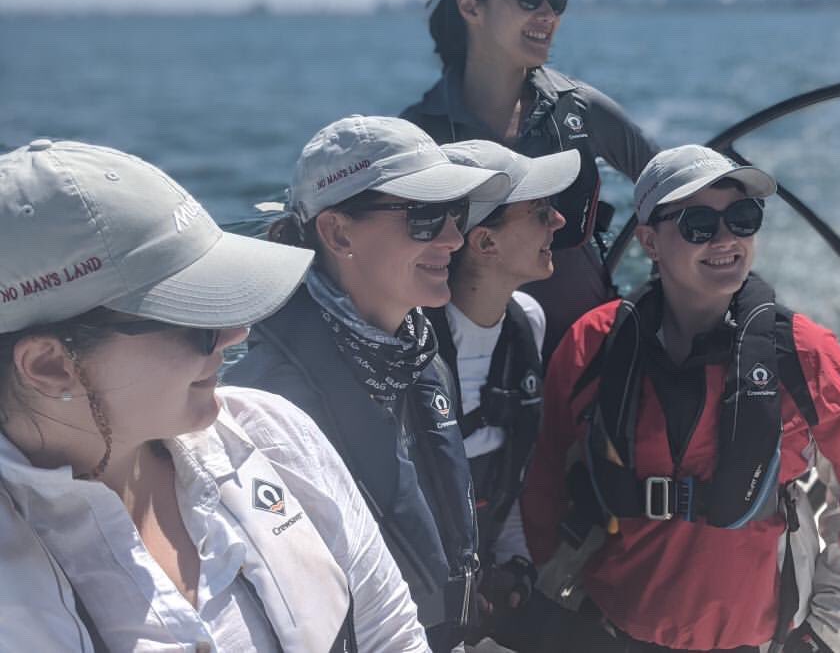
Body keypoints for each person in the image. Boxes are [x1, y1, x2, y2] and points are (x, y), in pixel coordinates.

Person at [0, 139, 429, 651]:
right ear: (50, 366)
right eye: (193, 317)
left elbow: (392, 636)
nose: (235, 333)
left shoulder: (276, 435)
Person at [521, 145, 840, 652]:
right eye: (699, 224)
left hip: (760, 638)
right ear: (649, 242)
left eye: (743, 218)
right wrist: (551, 588)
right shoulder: (594, 344)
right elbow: (545, 478)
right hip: (607, 627)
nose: (726, 239)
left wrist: (831, 634)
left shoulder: (804, 353)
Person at [225, 116, 510, 653]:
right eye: (425, 217)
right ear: (338, 232)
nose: (454, 238)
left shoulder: (417, 353)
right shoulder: (263, 406)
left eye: (456, 214)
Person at [401, 0, 660, 359]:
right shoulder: (420, 135)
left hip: (589, 370)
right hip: (472, 380)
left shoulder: (582, 108)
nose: (548, 15)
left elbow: (673, 190)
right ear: (470, 6)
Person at [424, 140, 579, 647]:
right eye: (539, 212)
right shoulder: (411, 346)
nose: (557, 221)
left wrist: (515, 565)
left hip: (487, 580)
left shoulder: (526, 323)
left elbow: (512, 473)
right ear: (485, 243)